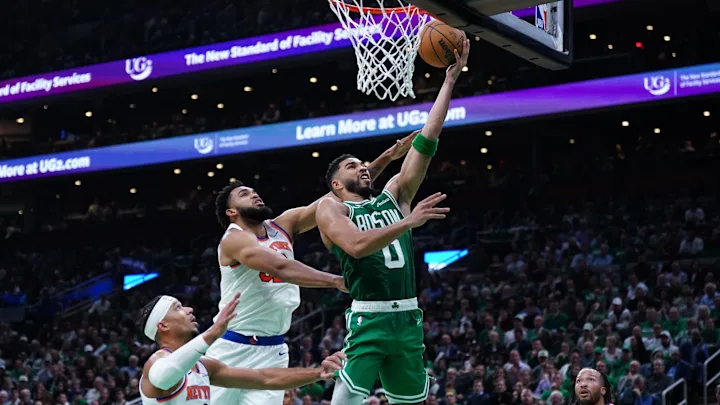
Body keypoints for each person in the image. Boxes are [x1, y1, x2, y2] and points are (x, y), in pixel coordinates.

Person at [316, 39, 470, 405]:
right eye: (353, 166)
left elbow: (428, 139)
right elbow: (354, 246)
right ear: (338, 184)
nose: (363, 168)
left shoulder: (395, 195)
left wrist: (449, 81)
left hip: (408, 318)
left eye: (364, 163)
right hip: (369, 320)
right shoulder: (332, 208)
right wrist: (408, 222)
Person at [208, 136, 414, 405]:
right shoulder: (233, 239)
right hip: (231, 345)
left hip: (273, 349)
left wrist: (386, 158)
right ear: (231, 212)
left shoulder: (283, 224)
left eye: (253, 190)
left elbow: (340, 191)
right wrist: (335, 281)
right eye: (244, 194)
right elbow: (280, 267)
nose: (254, 194)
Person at [138, 293, 345, 405]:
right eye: (178, 308)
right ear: (163, 325)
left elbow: (264, 378)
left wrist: (318, 373)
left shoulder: (204, 367)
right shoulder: (156, 362)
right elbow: (164, 377)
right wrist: (211, 334)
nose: (189, 309)